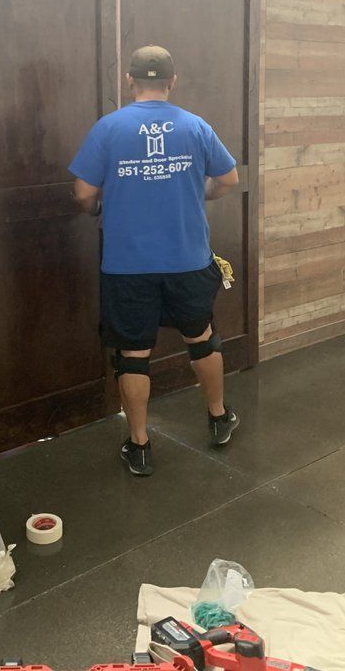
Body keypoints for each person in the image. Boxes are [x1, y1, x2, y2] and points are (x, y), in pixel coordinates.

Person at [69, 45, 240, 477]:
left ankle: (140, 445)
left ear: (129, 81)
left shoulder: (109, 128)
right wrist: (194, 193)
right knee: (202, 339)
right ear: (172, 82)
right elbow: (228, 180)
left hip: (128, 265)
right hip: (187, 258)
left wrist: (97, 210)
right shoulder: (196, 126)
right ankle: (219, 417)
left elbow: (83, 193)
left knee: (133, 354)